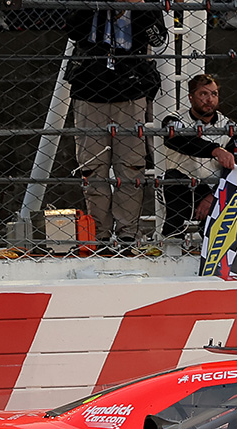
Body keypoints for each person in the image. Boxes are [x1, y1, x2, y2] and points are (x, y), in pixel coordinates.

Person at [65, 2, 166, 246]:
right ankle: (98, 232)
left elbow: (158, 38)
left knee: (131, 166)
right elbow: (73, 30)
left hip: (132, 87)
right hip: (90, 87)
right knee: (92, 167)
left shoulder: (145, 3)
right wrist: (95, 4)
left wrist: (138, 6)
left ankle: (127, 232)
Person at [159, 74, 237, 239]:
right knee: (173, 178)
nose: (210, 99)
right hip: (181, 186)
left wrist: (214, 195)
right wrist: (215, 150)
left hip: (214, 189)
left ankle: (212, 241)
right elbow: (179, 141)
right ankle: (173, 240)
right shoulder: (174, 119)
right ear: (191, 97)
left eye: (214, 94)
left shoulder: (228, 124)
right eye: (203, 94)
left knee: (234, 185)